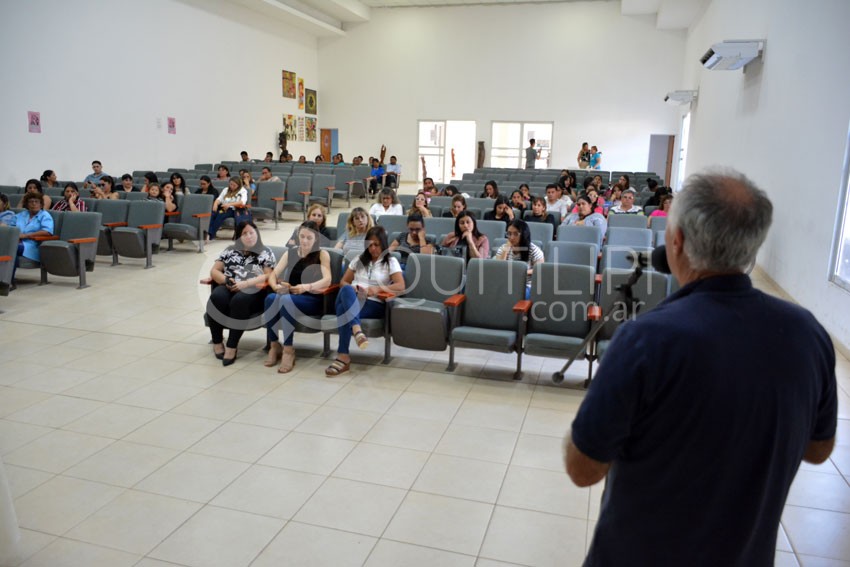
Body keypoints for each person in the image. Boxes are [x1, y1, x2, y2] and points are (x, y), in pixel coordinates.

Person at [566, 169, 837, 566]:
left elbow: (583, 467)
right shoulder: (807, 334)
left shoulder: (645, 339)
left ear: (676, 242)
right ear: (753, 246)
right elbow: (818, 448)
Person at [325, 226, 404, 377]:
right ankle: (357, 330)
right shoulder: (358, 260)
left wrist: (377, 289)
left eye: (376, 244)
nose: (373, 248)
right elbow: (343, 282)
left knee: (343, 310)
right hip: (353, 298)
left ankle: (343, 356)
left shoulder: (390, 261)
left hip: (373, 303)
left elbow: (401, 286)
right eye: (370, 245)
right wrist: (355, 289)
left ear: (383, 244)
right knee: (347, 289)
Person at [264, 221, 332, 373]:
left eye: (309, 238)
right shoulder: (291, 252)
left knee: (286, 300)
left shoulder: (322, 254)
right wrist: (276, 287)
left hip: (312, 298)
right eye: (302, 236)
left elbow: (327, 279)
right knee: (271, 298)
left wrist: (306, 287)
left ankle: (288, 350)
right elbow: (273, 275)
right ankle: (274, 345)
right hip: (291, 295)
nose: (305, 241)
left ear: (316, 239)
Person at [205, 221, 275, 366]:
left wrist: (246, 283)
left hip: (253, 289)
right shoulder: (230, 250)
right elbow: (214, 270)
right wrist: (225, 280)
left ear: (257, 234)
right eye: (244, 234)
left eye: (252, 233)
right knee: (216, 297)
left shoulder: (265, 251)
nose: (249, 236)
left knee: (239, 301)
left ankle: (232, 345)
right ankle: (217, 342)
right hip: (229, 284)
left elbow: (268, 275)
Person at [13, 192, 54, 288]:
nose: (34, 204)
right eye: (31, 202)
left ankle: (8, 281)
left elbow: (47, 231)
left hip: (33, 246)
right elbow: (10, 227)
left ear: (41, 204)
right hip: (16, 242)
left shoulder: (44, 215)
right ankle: (5, 278)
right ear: (27, 204)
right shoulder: (21, 215)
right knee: (8, 248)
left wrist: (26, 235)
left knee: (11, 249)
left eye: (37, 201)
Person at [494, 219, 544, 298]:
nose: (511, 237)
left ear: (523, 234)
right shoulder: (503, 248)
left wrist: (520, 272)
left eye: (516, 234)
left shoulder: (534, 250)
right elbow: (499, 268)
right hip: (505, 284)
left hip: (526, 285)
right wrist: (506, 249)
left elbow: (539, 270)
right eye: (509, 234)